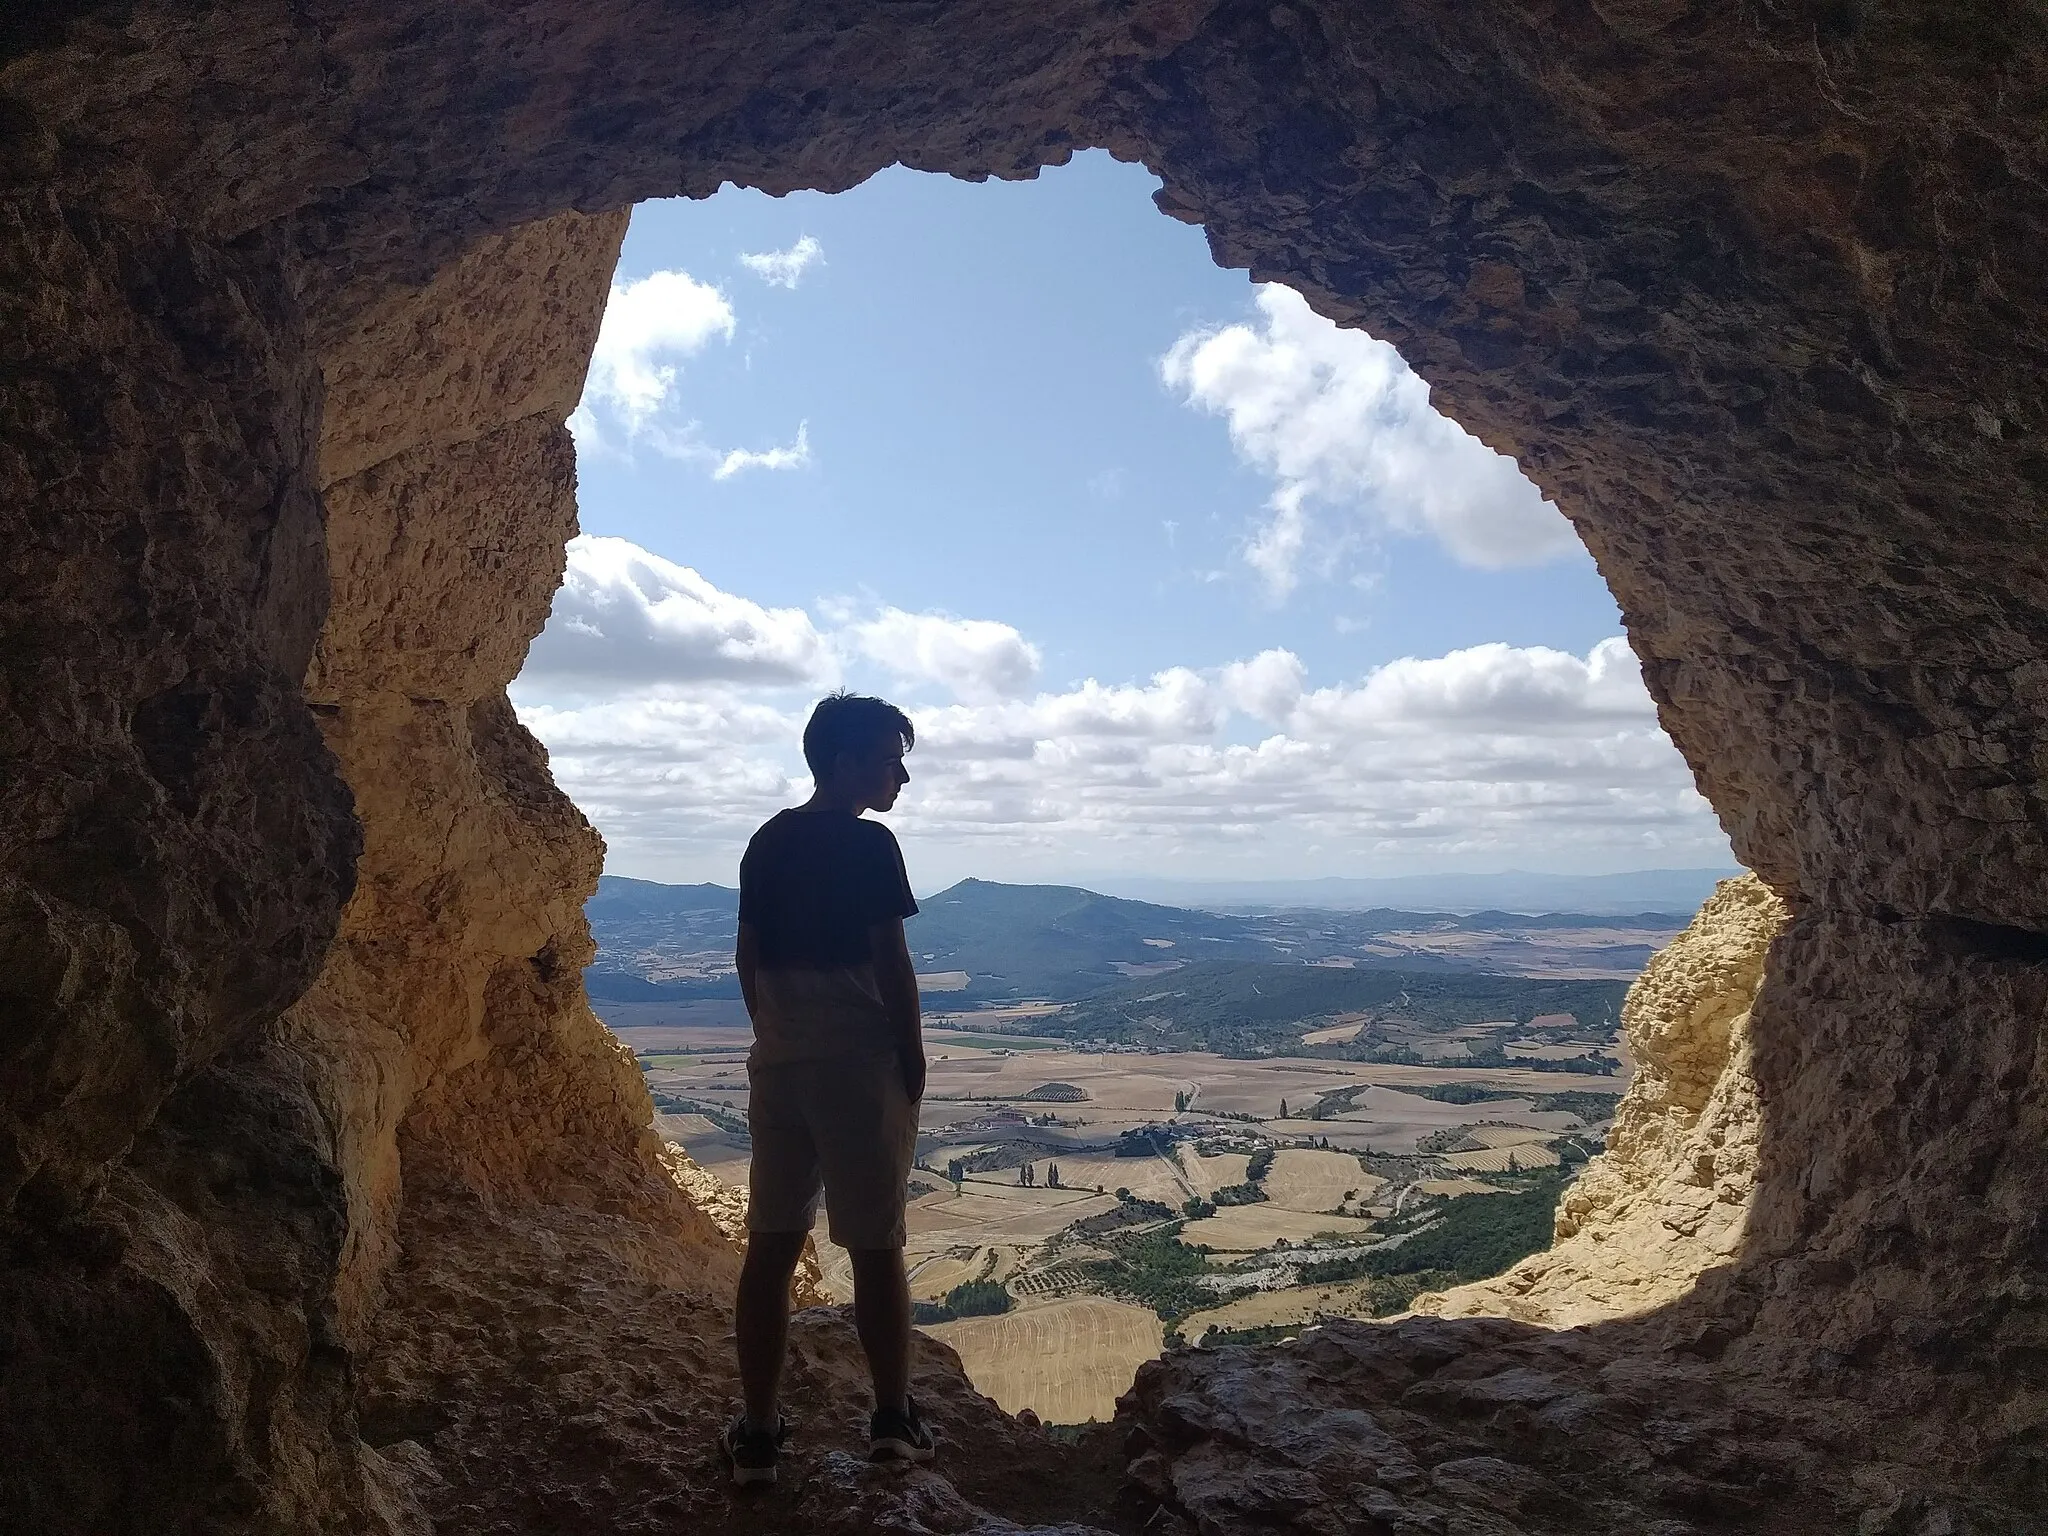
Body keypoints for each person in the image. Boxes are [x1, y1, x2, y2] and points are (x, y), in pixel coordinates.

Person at [720, 692, 935, 1487]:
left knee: (771, 1248)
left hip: (780, 1061)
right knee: (877, 1247)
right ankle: (892, 1421)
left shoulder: (766, 842)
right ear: (844, 762)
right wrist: (909, 1055)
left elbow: (747, 959)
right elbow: (892, 963)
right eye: (889, 758)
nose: (900, 775)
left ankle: (758, 1433)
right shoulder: (869, 846)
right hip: (857, 1064)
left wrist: (774, 1036)